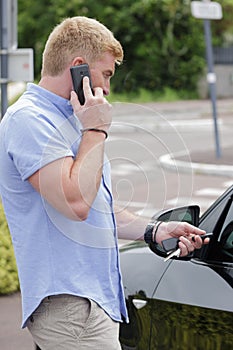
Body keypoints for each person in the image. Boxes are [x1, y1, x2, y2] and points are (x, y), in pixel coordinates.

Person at [0, 16, 208, 349]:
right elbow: (76, 203)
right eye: (106, 74)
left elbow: (97, 209)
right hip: (71, 307)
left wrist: (155, 230)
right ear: (78, 67)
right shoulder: (30, 120)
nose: (108, 89)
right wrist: (96, 130)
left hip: (90, 303)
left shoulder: (71, 121)